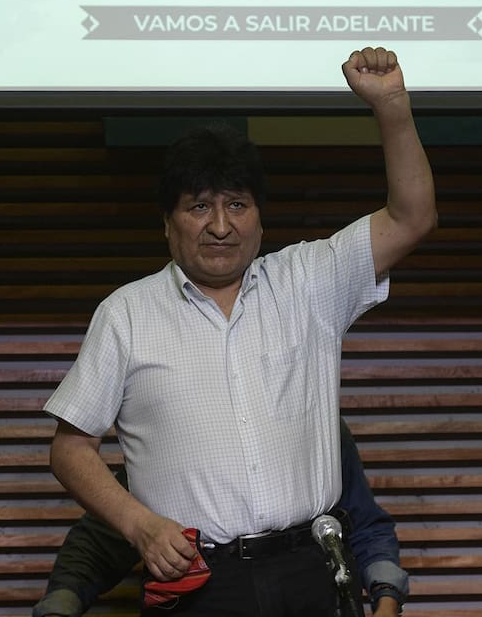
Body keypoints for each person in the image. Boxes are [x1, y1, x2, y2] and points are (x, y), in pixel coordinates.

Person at [44, 46, 436, 616]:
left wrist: (393, 105)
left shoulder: (309, 281)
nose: (221, 226)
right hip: (198, 584)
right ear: (167, 222)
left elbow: (412, 217)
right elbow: (70, 448)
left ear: (260, 217)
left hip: (314, 570)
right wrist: (141, 526)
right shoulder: (126, 313)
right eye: (199, 207)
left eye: (237, 204)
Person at [35, 419, 409, 617]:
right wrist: (57, 608)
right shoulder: (179, 441)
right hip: (204, 594)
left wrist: (387, 601)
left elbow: (365, 524)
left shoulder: (319, 424)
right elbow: (99, 543)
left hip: (315, 587)